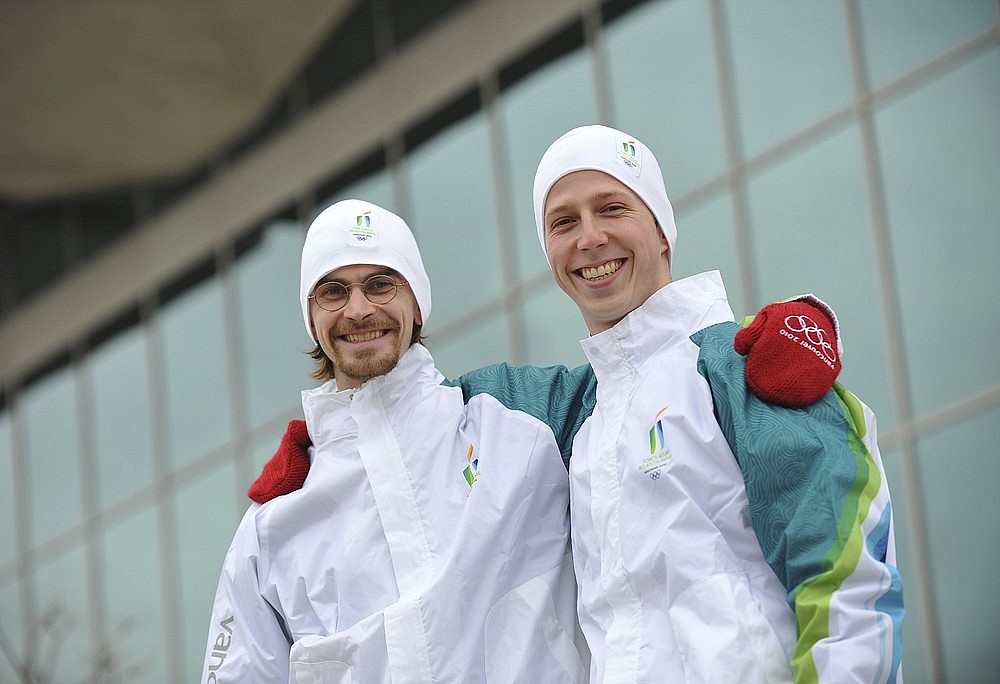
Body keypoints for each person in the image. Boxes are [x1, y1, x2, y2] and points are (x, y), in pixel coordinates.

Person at [250, 126, 904, 682]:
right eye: (564, 222)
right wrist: (324, 444)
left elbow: (848, 576)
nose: (590, 237)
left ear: (662, 229)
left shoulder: (739, 366)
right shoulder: (573, 413)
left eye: (612, 208)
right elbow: (423, 410)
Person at [202, 199, 588, 683]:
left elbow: (640, 378)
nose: (359, 310)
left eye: (380, 284)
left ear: (417, 301)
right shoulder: (269, 530)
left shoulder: (521, 419)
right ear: (312, 318)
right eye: (333, 291)